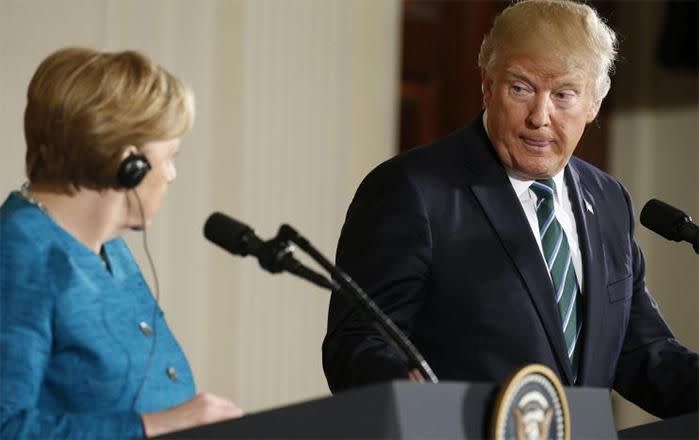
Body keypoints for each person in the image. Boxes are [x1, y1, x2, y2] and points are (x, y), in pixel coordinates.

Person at [323, 0, 698, 419]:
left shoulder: (608, 199)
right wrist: (416, 400)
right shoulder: (412, 190)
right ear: (487, 85)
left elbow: (644, 354)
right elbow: (356, 342)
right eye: (520, 88)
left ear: (594, 101)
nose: (540, 116)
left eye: (564, 95)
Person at [0, 47, 242, 438]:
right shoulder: (18, 253)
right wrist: (155, 426)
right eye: (169, 156)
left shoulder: (111, 248)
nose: (172, 174)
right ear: (129, 163)